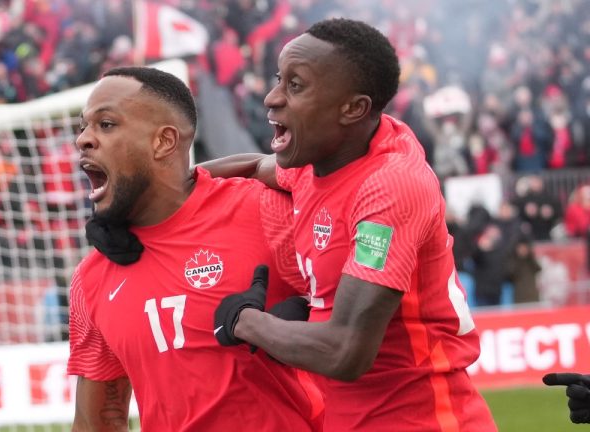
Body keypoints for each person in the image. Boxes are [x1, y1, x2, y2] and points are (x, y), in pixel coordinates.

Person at [203, 18, 497, 430]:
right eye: (278, 80)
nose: (271, 98)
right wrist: (155, 203)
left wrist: (246, 322)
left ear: (354, 108)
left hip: (422, 420)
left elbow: (345, 353)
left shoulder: (390, 186)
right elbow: (252, 166)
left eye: (295, 85)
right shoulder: (314, 162)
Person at [67, 66, 323, 431]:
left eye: (105, 125)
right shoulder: (91, 279)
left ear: (164, 141)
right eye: (83, 127)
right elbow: (97, 423)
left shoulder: (264, 211)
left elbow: (370, 327)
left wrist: (304, 323)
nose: (84, 140)